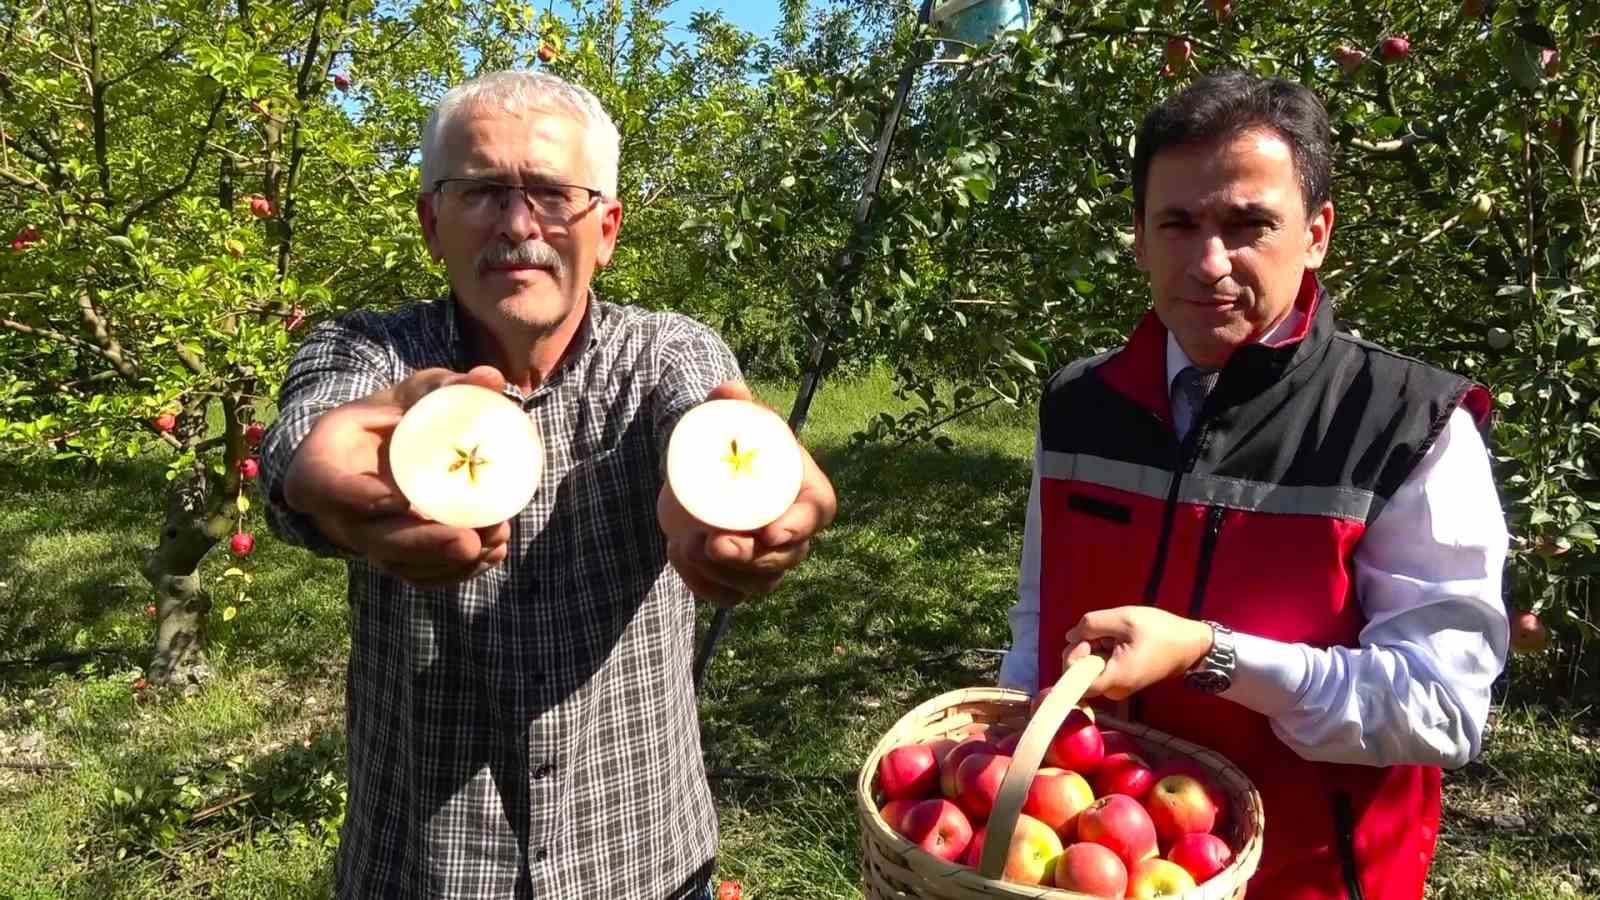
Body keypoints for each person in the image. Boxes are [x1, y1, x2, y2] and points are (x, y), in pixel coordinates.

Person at [258, 70, 837, 900]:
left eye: (554, 194)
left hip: (643, 859)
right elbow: (310, 424)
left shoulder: (665, 355)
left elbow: (710, 418)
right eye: (482, 191)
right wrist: (319, 482)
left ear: (606, 228)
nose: (520, 224)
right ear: (431, 221)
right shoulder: (371, 352)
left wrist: (724, 506)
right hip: (423, 871)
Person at [1000, 72, 1508, 900]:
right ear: (1138, 238)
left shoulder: (1408, 423)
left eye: (1248, 225)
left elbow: (1440, 707)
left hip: (1309, 877)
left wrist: (1215, 655)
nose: (1209, 263)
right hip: (1088, 868)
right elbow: (1038, 616)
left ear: (1316, 234)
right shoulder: (1078, 405)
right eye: (1178, 223)